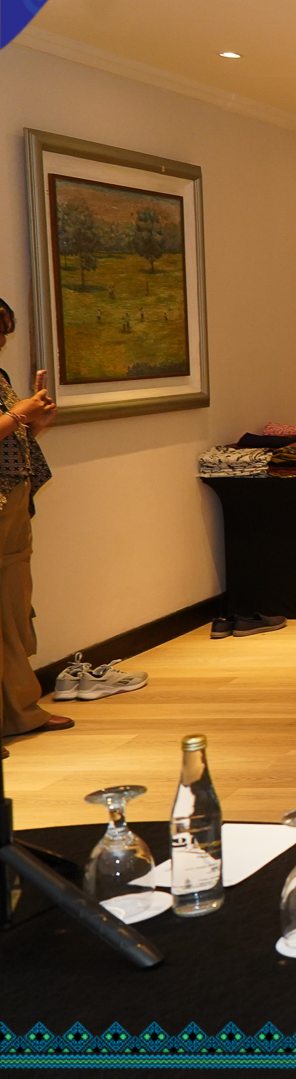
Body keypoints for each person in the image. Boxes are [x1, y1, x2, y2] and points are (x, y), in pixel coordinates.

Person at [0, 297, 59, 747]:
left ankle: (21, 712)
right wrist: (21, 412)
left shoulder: (0, 377)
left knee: (14, 608)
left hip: (13, 500)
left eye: (5, 330)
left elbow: (11, 437)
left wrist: (36, 421)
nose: (2, 340)